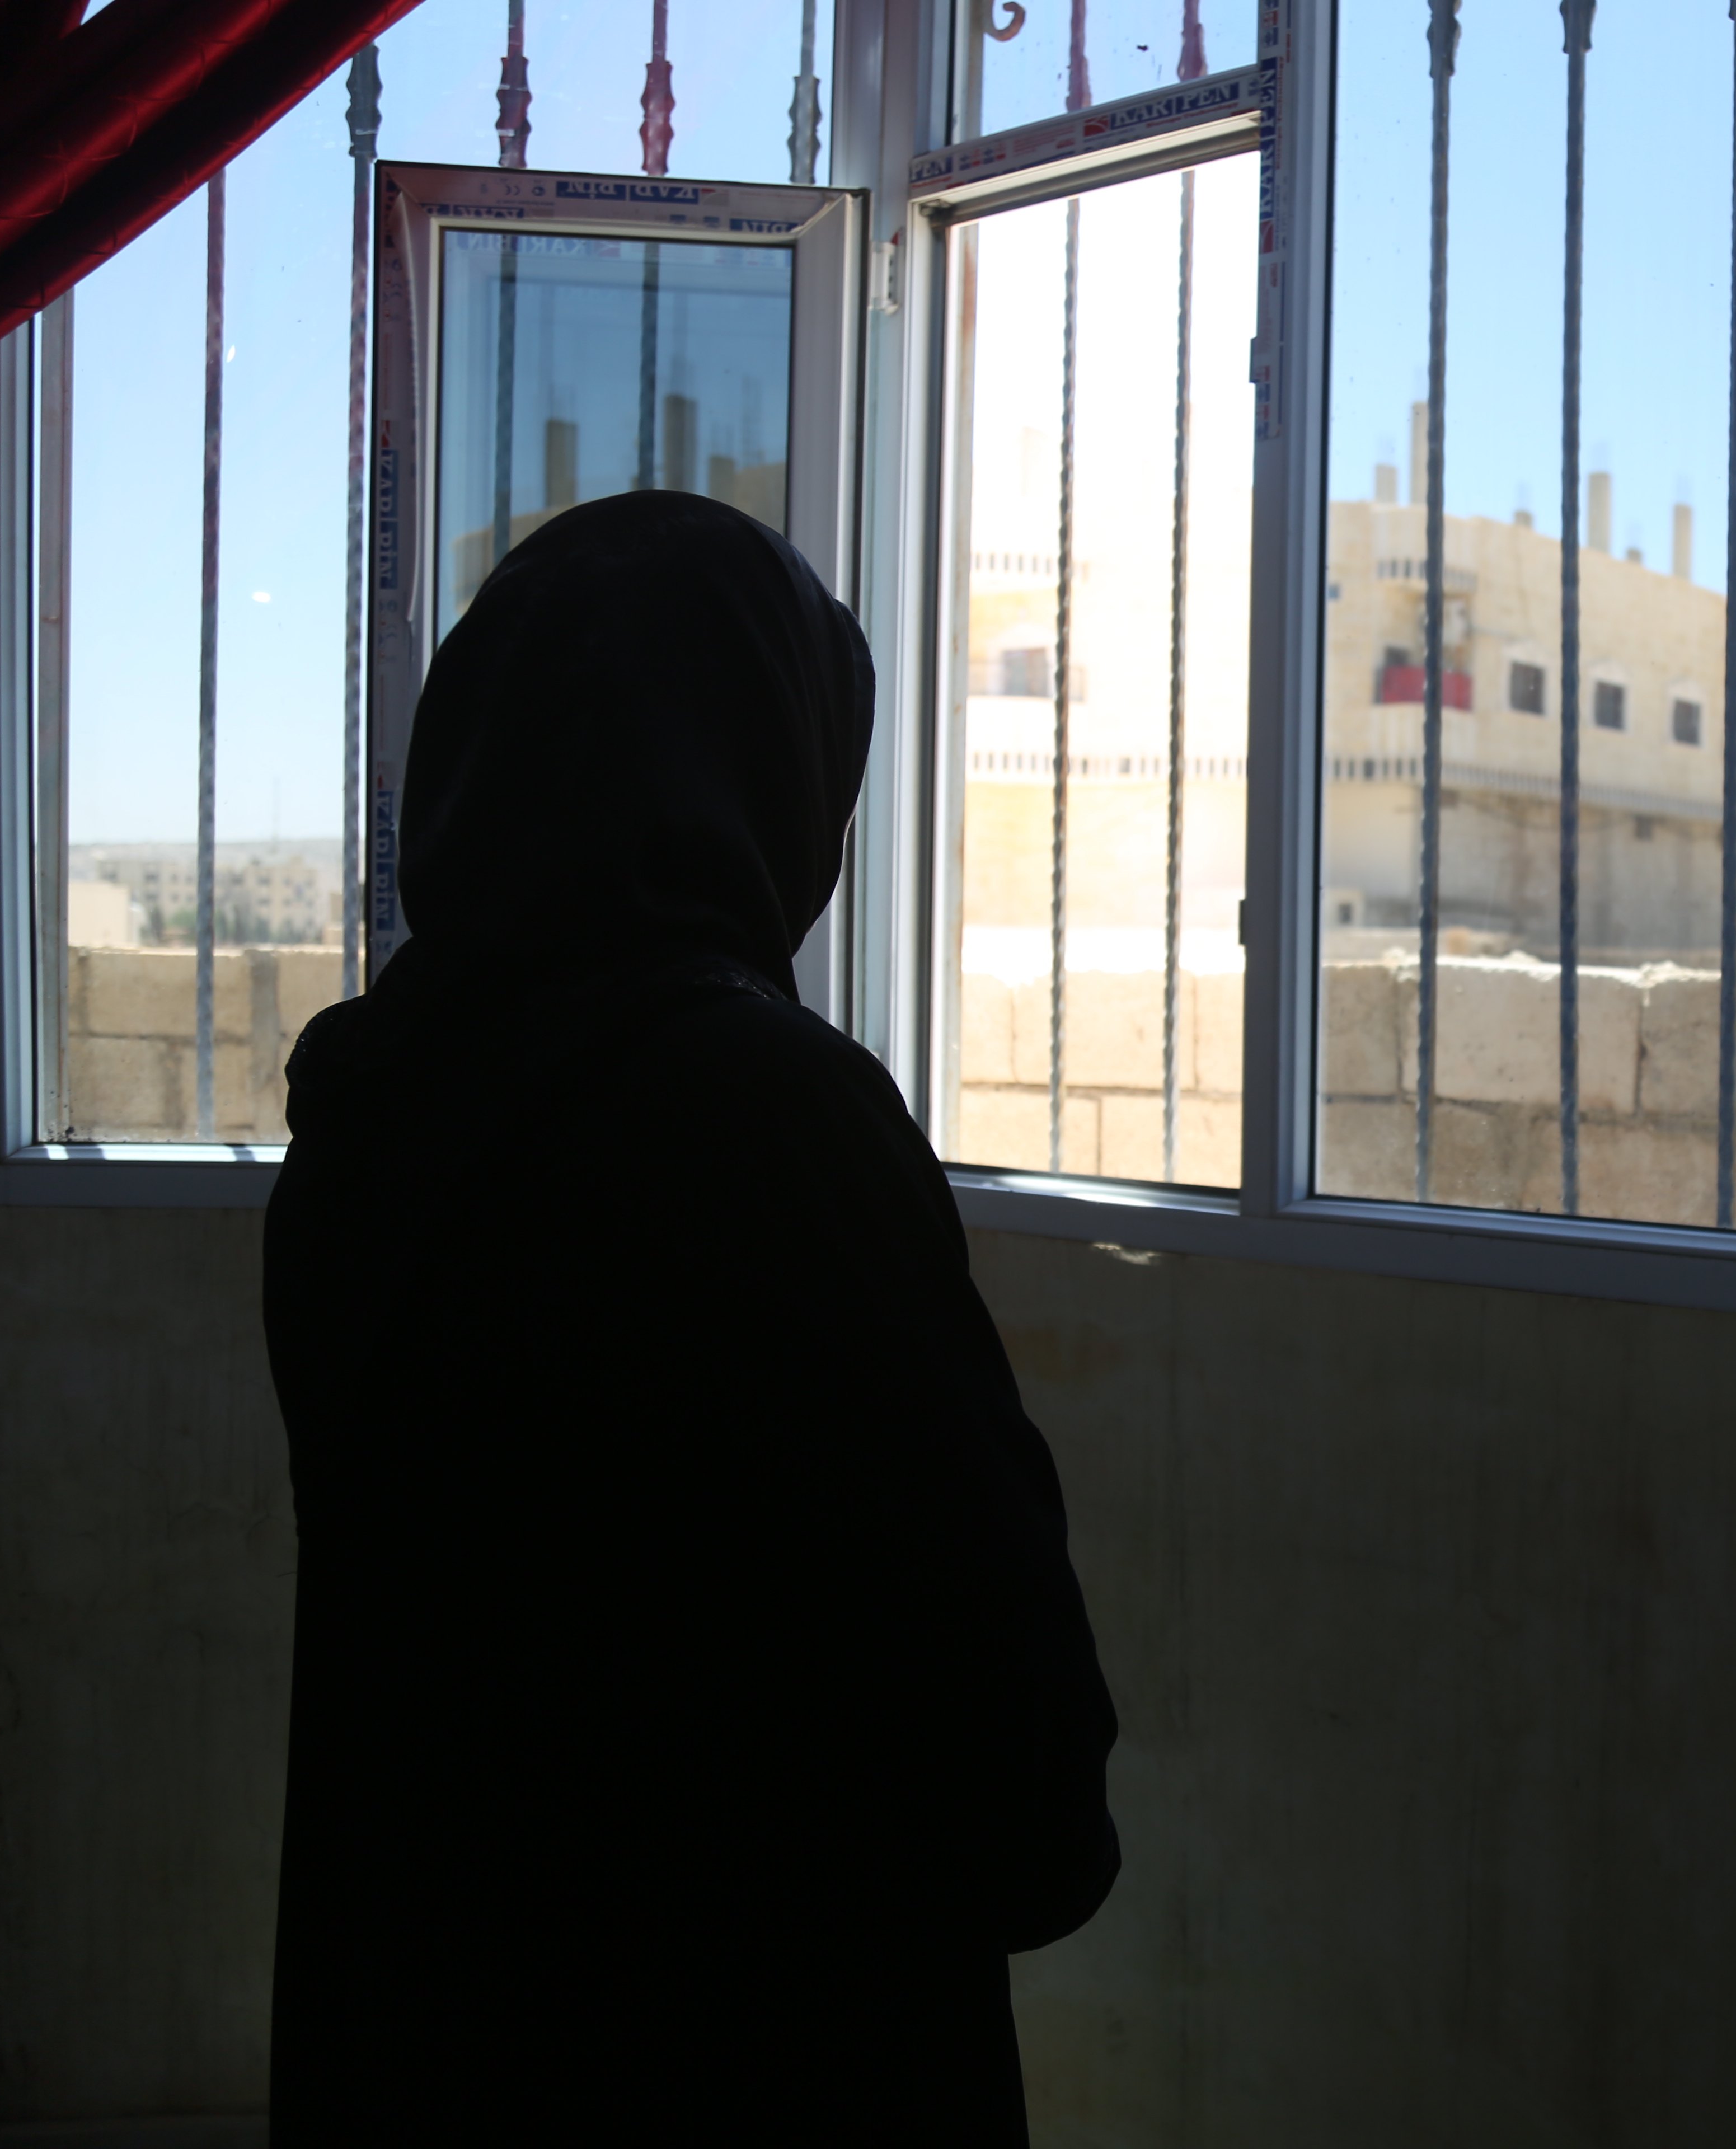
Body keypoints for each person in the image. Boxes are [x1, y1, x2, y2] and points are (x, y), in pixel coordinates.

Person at [262, 492, 1118, 2143]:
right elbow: (984, 1658)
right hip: (757, 2032)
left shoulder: (364, 1112)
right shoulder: (771, 1115)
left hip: (436, 2013)